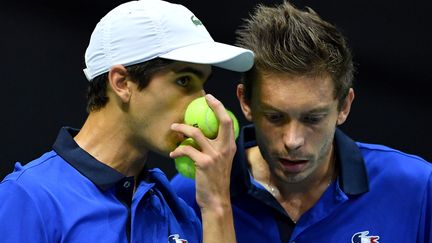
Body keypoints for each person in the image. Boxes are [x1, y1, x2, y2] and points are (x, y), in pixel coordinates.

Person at [170, 1, 432, 242]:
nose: (292, 141)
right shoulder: (189, 193)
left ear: (344, 106)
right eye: (275, 117)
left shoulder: (417, 187)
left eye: (312, 119)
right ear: (245, 102)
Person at [0, 0, 254, 242]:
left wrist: (217, 205)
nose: (204, 104)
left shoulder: (176, 208)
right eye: (184, 80)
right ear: (121, 83)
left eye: (203, 84)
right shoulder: (28, 197)